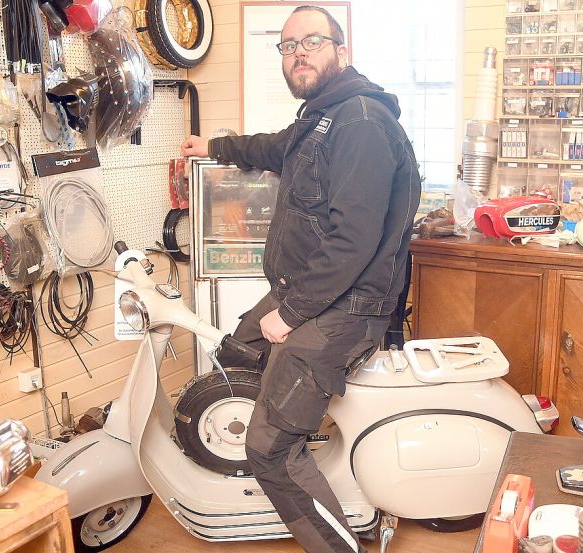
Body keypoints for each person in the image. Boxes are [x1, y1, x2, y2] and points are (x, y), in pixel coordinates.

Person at [180, 6, 420, 553]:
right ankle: (294, 421)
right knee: (235, 355)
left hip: (348, 305)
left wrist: (289, 315)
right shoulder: (322, 117)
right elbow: (275, 148)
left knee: (267, 448)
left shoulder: (359, 120)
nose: (298, 54)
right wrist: (215, 147)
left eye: (311, 41)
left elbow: (353, 240)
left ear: (342, 50)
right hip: (310, 289)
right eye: (288, 46)